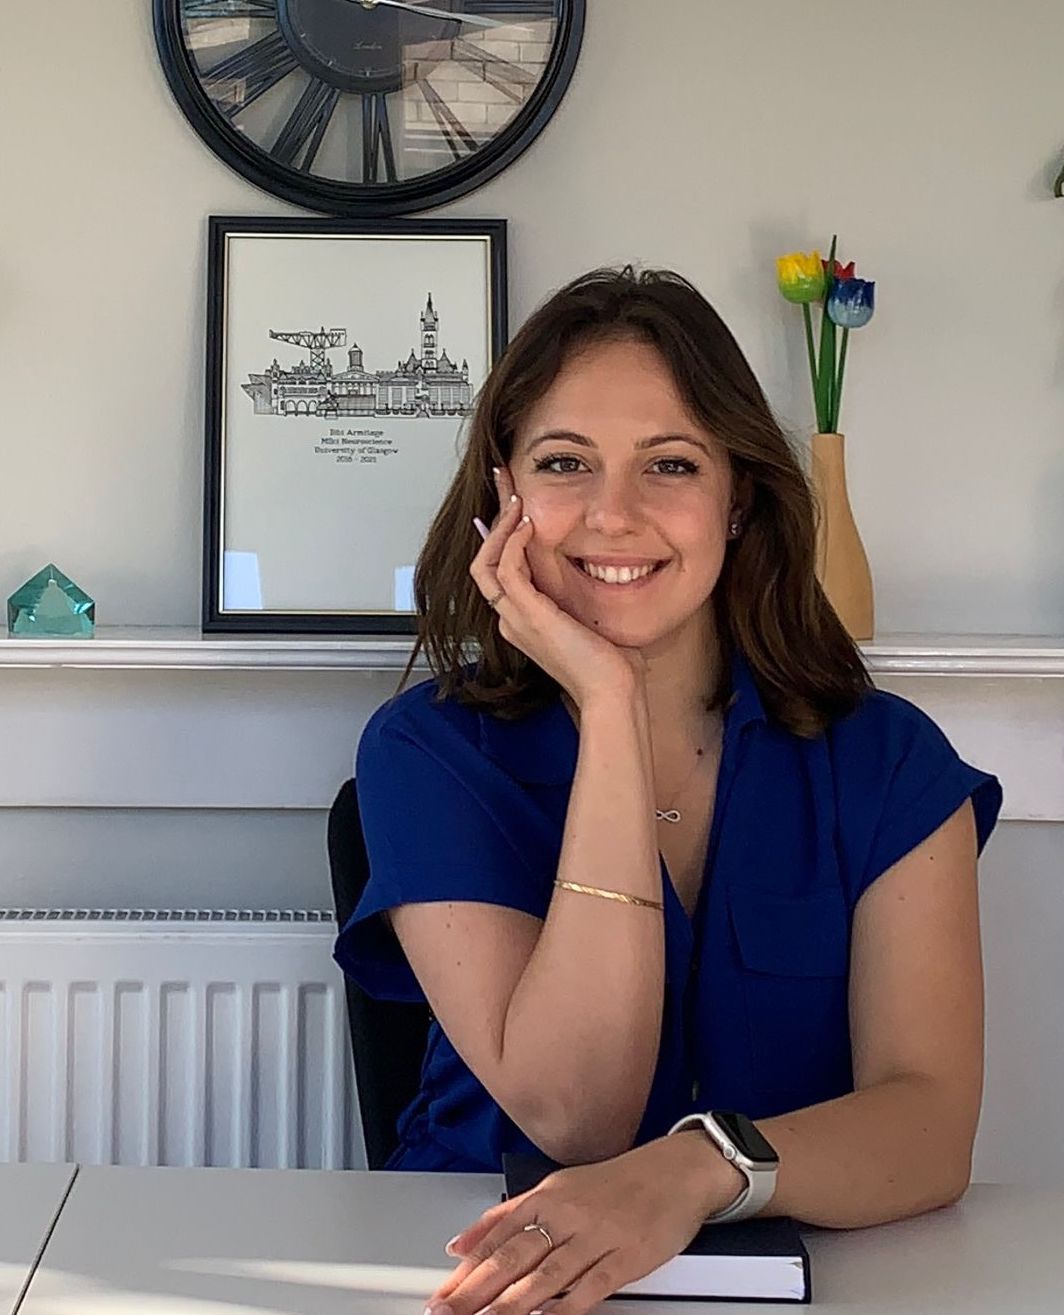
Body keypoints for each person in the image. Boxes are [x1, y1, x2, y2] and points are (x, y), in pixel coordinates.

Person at [333, 266, 1003, 1315]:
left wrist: (698, 1169)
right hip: (475, 1273)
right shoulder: (426, 751)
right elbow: (579, 1116)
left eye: (671, 464)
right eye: (564, 463)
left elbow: (928, 1128)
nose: (614, 514)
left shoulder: (890, 760)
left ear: (738, 498)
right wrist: (609, 705)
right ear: (502, 497)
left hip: (819, 1277)